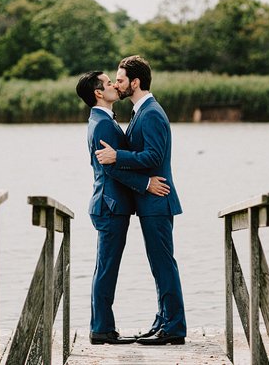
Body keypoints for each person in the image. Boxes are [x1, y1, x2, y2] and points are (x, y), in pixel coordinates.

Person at [95, 55, 187, 345]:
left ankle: (173, 328)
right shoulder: (140, 112)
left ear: (135, 82)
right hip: (149, 203)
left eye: (120, 79)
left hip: (158, 201)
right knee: (158, 265)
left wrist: (116, 156)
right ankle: (163, 321)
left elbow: (154, 156)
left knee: (163, 265)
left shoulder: (151, 113)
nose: (117, 83)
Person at [75, 70, 171, 345]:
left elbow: (116, 161)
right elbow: (113, 168)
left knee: (106, 267)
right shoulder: (103, 124)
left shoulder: (104, 119)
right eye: (108, 83)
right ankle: (102, 329)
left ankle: (102, 326)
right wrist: (145, 184)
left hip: (111, 204)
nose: (114, 86)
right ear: (98, 93)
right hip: (110, 204)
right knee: (107, 268)